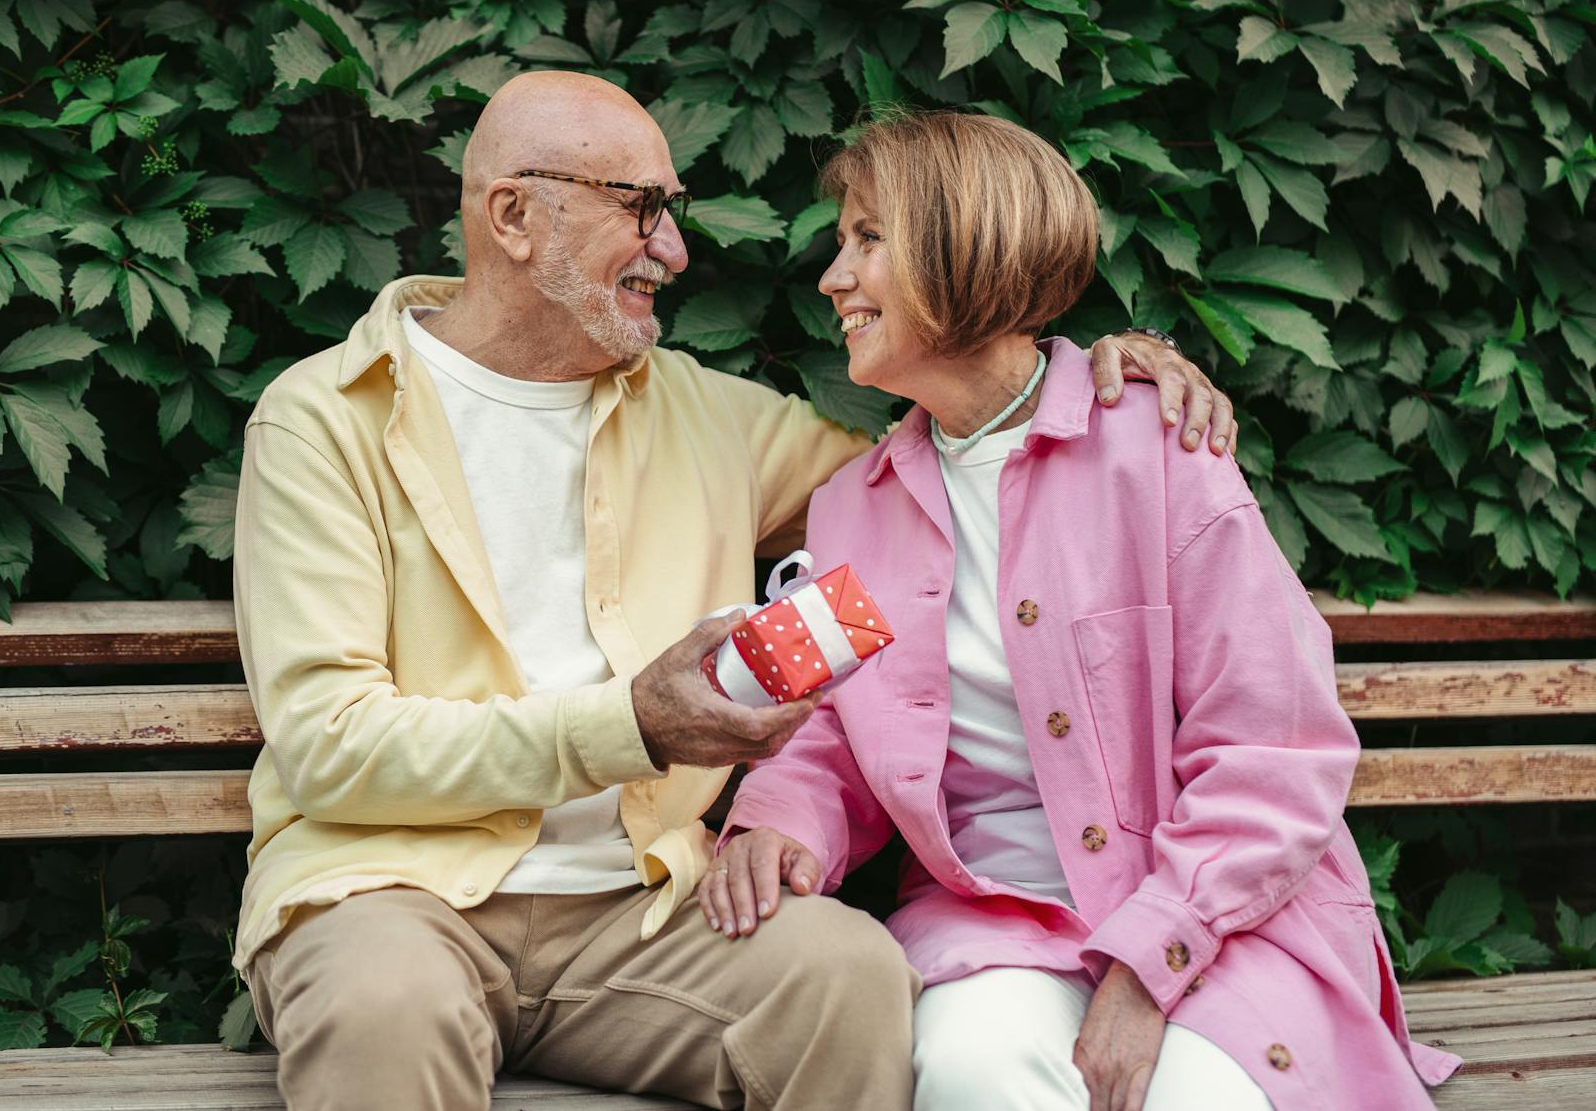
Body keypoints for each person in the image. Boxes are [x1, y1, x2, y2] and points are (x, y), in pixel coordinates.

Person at [232, 72, 1233, 1110]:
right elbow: (329, 744)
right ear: (514, 216)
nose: (672, 249)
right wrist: (630, 724)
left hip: (644, 908)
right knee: (384, 1004)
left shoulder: (708, 415)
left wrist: (1094, 381)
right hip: (386, 895)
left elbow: (944, 453)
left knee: (848, 977)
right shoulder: (322, 418)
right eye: (641, 207)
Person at [703, 110, 1460, 1111]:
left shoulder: (1156, 444)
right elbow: (827, 734)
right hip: (994, 923)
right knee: (973, 1073)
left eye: (866, 239)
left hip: (1218, 914)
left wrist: (1146, 961)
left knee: (1193, 1097)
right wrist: (776, 818)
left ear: (958, 246)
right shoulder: (850, 507)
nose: (830, 277)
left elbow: (1273, 747)